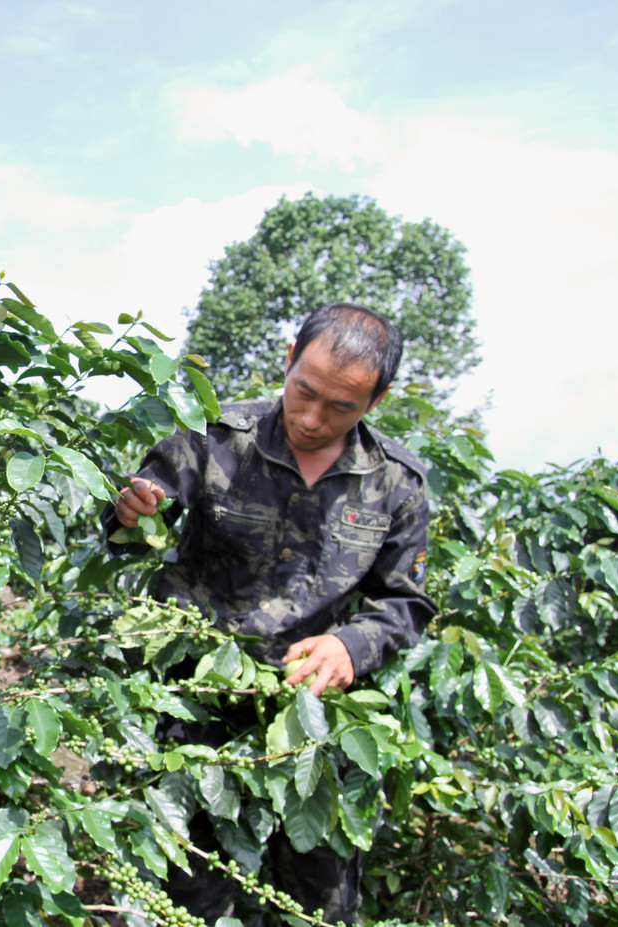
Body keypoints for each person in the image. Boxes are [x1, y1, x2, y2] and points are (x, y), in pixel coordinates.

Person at [104, 302, 435, 924]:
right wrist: (131, 514)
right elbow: (127, 528)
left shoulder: (398, 485)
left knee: (317, 904)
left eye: (340, 408)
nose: (312, 418)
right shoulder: (211, 438)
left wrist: (351, 646)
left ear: (377, 399)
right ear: (288, 361)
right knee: (183, 898)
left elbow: (405, 601)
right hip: (194, 713)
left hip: (308, 722)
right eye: (304, 392)